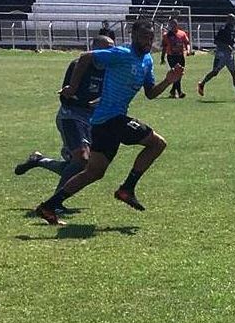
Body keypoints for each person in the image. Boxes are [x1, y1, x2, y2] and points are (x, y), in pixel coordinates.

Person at [34, 21, 184, 226]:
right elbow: (86, 57)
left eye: (151, 38)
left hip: (103, 123)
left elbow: (150, 94)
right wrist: (72, 86)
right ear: (133, 36)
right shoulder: (120, 53)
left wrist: (168, 81)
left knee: (94, 172)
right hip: (111, 119)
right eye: (143, 37)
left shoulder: (147, 60)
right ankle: (127, 188)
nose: (148, 41)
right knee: (157, 143)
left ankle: (48, 206)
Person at [15, 35, 112, 209]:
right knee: (82, 158)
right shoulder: (79, 65)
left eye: (111, 49)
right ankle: (56, 203)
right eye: (105, 48)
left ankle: (38, 160)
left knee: (81, 165)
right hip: (71, 115)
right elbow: (66, 95)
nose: (109, 52)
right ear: (93, 48)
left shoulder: (110, 69)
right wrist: (81, 100)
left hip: (92, 118)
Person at [198, 14, 235, 101]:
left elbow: (232, 39)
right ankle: (202, 84)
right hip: (221, 54)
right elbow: (216, 41)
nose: (233, 22)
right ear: (228, 21)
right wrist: (226, 46)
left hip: (230, 55)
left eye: (234, 20)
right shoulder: (223, 30)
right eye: (232, 20)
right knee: (215, 72)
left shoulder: (233, 29)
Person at [160, 18, 191, 99]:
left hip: (180, 56)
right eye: (171, 24)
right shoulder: (166, 35)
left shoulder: (182, 33)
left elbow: (187, 43)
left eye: (174, 24)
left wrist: (188, 50)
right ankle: (180, 92)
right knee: (176, 73)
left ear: (177, 25)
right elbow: (164, 47)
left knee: (179, 74)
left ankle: (173, 91)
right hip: (171, 56)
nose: (173, 26)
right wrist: (162, 58)